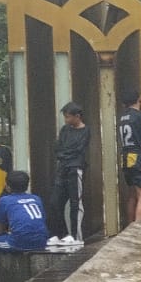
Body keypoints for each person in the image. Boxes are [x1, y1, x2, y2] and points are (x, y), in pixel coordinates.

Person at [0, 170, 48, 282]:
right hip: (42, 241)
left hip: (20, 242)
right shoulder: (36, 198)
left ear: (8, 187)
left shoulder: (4, 201)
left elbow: (1, 231)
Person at [50, 102, 88, 245]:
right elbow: (58, 147)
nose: (66, 120)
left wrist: (64, 153)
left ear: (77, 116)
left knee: (75, 203)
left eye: (68, 117)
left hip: (75, 168)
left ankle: (76, 237)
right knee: (55, 202)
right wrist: (64, 154)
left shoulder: (85, 131)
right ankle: (62, 234)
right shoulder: (65, 130)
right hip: (63, 168)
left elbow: (78, 149)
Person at [118, 90, 141, 225]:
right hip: (138, 158)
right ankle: (138, 225)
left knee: (132, 194)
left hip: (126, 158)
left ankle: (129, 223)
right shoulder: (140, 116)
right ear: (139, 99)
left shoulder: (122, 118)